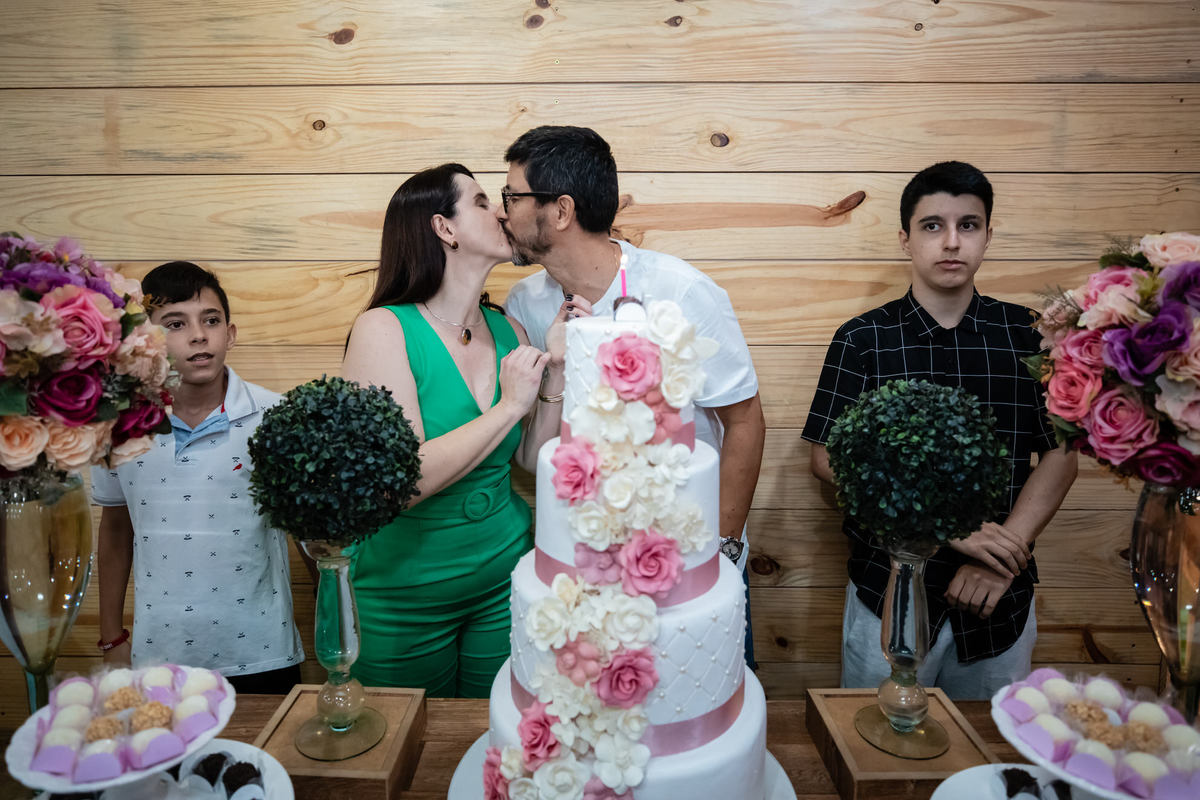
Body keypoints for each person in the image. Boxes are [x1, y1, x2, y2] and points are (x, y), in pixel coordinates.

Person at [803, 161, 1078, 699]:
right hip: (886, 589)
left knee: (991, 743)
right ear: (905, 239)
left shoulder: (1028, 336)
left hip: (999, 599)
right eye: (932, 226)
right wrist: (951, 529)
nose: (952, 241)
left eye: (967, 225)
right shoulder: (863, 339)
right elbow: (826, 458)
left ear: (988, 235)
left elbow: (1062, 453)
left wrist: (1003, 557)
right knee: (878, 738)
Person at [499, 125, 766, 668]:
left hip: (685, 558)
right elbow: (535, 447)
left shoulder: (681, 291)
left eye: (512, 197)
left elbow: (744, 421)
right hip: (582, 563)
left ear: (561, 210)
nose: (503, 212)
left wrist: (722, 547)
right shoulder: (524, 303)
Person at [341, 163, 564, 697]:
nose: (502, 213)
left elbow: (530, 459)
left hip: (504, 577)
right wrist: (509, 407)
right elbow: (399, 483)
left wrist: (555, 370)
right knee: (409, 739)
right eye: (483, 202)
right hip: (403, 592)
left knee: (498, 728)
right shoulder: (384, 329)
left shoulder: (508, 329)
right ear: (445, 228)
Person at [94, 261, 304, 694]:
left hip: (263, 652)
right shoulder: (118, 424)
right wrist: (111, 638)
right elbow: (115, 530)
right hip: (159, 659)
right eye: (176, 324)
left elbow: (311, 533)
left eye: (211, 320)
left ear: (231, 332)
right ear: (145, 340)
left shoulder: (278, 417)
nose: (198, 335)